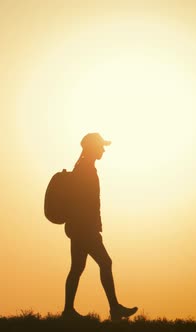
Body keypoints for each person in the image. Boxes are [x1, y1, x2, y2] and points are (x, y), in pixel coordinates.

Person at [62, 133, 138, 320]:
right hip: (85, 228)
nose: (103, 150)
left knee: (77, 268)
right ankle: (114, 309)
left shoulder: (83, 167)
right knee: (105, 262)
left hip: (80, 228)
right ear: (92, 148)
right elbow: (84, 203)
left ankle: (68, 311)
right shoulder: (85, 170)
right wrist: (91, 229)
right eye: (101, 146)